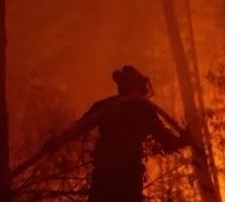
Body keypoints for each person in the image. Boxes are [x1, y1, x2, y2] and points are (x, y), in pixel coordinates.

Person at [33, 65, 190, 202]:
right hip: (126, 178)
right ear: (133, 86)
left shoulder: (106, 106)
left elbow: (78, 128)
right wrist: (185, 140)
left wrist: (59, 140)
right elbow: (168, 141)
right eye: (140, 86)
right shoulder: (143, 109)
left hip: (105, 176)